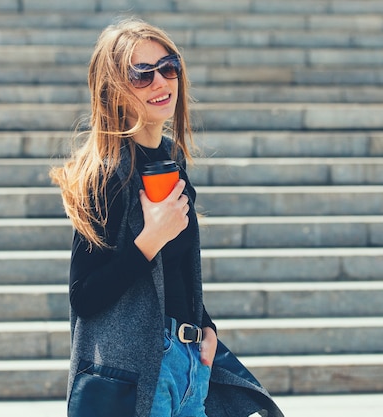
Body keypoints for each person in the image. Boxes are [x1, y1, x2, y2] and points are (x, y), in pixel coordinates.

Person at [50, 18, 283, 417]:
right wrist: (148, 241)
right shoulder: (108, 174)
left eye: (168, 67)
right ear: (115, 93)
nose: (160, 82)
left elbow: (177, 272)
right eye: (141, 75)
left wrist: (206, 330)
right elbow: (83, 296)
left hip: (189, 362)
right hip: (140, 374)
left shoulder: (171, 160)